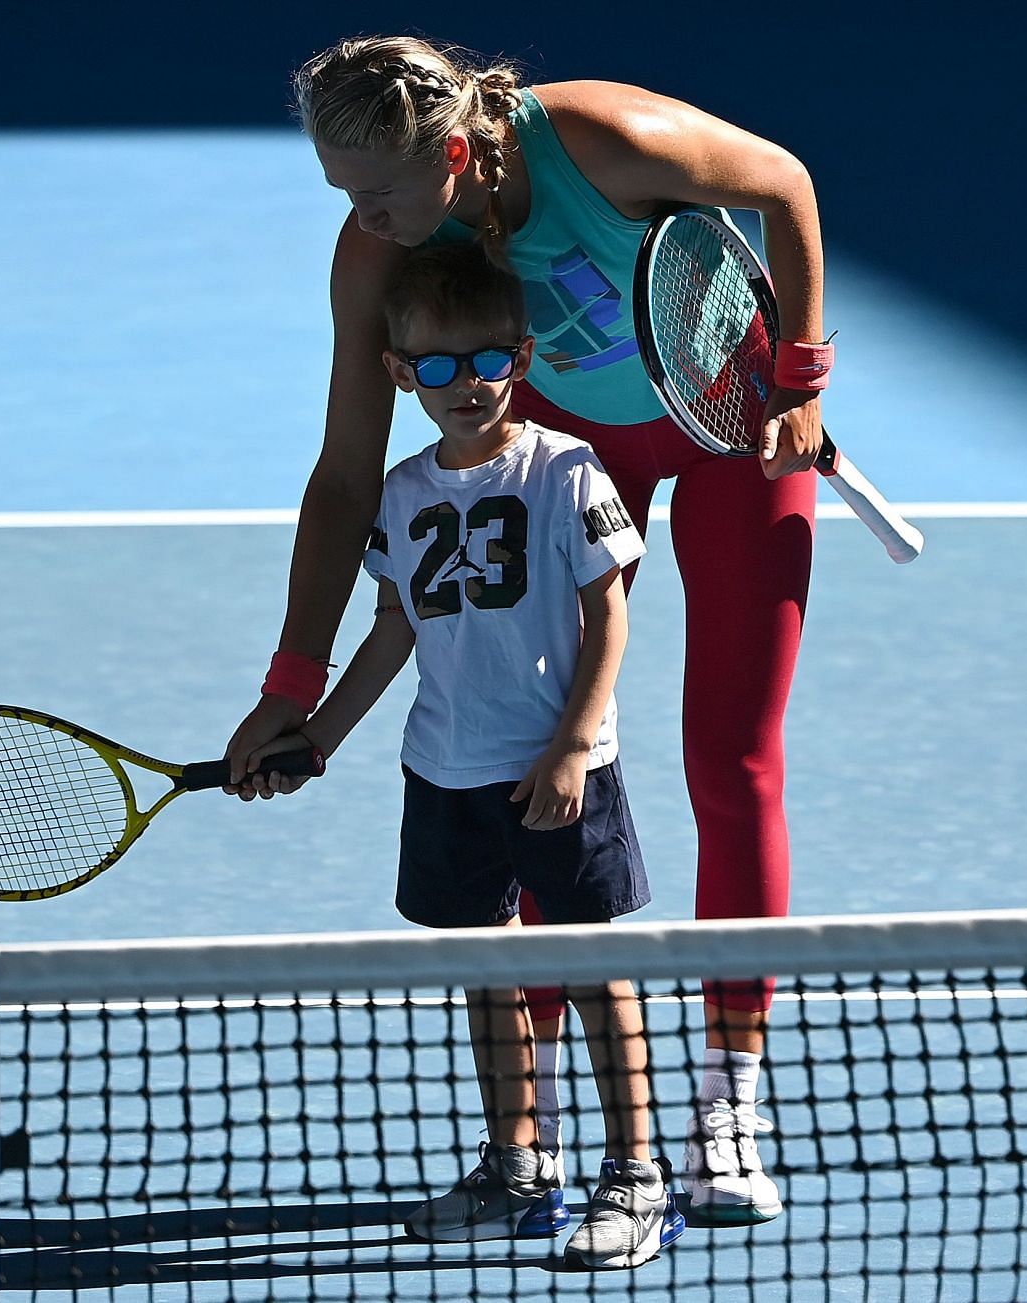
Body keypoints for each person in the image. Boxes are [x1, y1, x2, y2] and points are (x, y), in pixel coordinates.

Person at [230, 34, 827, 1225]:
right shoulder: (375, 260)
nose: (364, 219)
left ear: (456, 152)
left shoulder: (608, 140)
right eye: (342, 191)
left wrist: (802, 378)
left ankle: (726, 1103)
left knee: (732, 756)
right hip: (573, 448)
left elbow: (784, 183)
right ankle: (532, 1138)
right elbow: (346, 481)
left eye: (380, 190)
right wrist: (293, 682)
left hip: (730, 424)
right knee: (519, 762)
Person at [248, 243, 683, 1269]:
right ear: (400, 373)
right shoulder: (399, 496)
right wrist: (317, 736)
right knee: (486, 970)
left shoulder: (566, 470)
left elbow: (608, 617)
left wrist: (575, 742)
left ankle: (636, 1176)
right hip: (444, 773)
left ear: (521, 357)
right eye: (436, 367)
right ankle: (519, 1165)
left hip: (557, 769)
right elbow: (393, 630)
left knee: (591, 970)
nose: (465, 384)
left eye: (486, 360)